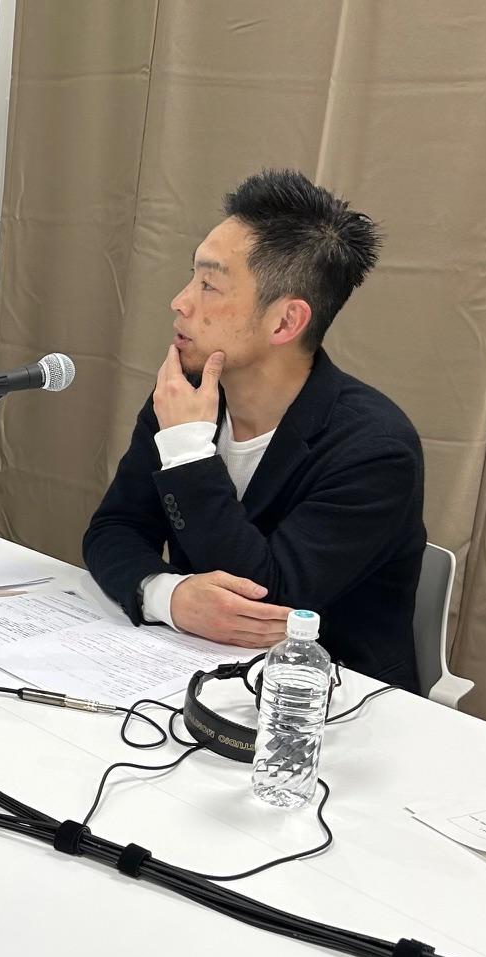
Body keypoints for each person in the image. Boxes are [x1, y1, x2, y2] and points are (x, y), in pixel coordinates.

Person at [82, 169, 426, 690]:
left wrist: (188, 450)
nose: (180, 301)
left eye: (209, 285)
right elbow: (114, 529)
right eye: (192, 277)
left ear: (285, 322)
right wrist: (166, 595)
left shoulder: (375, 449)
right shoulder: (189, 398)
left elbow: (263, 598)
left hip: (330, 698)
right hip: (188, 669)